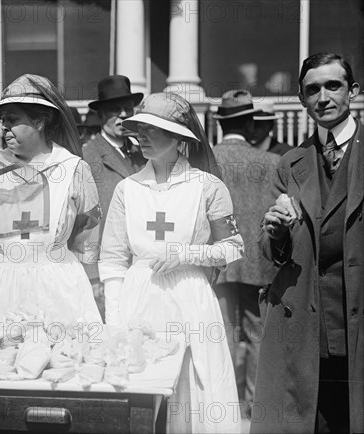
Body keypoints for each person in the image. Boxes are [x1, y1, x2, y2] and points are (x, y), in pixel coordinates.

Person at [100, 92, 243, 433]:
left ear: (180, 138)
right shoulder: (127, 189)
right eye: (140, 128)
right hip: (140, 297)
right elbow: (113, 260)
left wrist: (188, 254)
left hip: (189, 299)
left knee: (192, 390)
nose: (142, 136)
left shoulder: (207, 186)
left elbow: (233, 247)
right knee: (141, 388)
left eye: (154, 129)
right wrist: (115, 322)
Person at [254, 53, 363, 433]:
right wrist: (275, 231)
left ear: (353, 91)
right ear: (302, 99)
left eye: (333, 86)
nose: (323, 97)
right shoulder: (291, 163)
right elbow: (270, 258)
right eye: (312, 89)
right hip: (306, 327)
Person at [0, 74, 102, 326]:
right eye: (2, 121)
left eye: (12, 120)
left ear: (40, 122)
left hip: (57, 283)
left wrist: (93, 282)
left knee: (64, 357)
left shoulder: (73, 169)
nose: (3, 127)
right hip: (4, 283)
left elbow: (87, 234)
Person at [212, 90, 280, 415]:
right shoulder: (272, 163)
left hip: (218, 262)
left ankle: (223, 402)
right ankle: (253, 406)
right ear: (252, 123)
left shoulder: (207, 160)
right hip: (258, 264)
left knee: (222, 332)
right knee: (257, 336)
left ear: (220, 123)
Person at [81, 75, 146, 315]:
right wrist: (92, 275)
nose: (123, 115)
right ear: (100, 116)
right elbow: (84, 222)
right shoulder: (88, 158)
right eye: (114, 110)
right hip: (108, 271)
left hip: (142, 267)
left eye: (128, 108)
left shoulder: (144, 154)